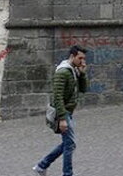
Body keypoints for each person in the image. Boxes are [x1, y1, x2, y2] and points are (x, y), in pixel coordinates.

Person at [34, 44, 89, 176]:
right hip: (63, 112)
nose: (82, 61)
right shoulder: (63, 72)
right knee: (70, 144)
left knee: (68, 143)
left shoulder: (74, 70)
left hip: (68, 112)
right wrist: (62, 119)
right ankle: (66, 173)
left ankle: (42, 165)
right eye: (80, 58)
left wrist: (82, 74)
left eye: (84, 59)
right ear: (72, 56)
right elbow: (57, 97)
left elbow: (83, 89)